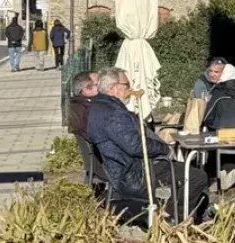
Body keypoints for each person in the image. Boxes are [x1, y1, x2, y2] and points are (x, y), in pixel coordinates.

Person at [87, 67, 210, 221]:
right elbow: (135, 146)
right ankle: (171, 217)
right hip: (134, 173)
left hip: (123, 168)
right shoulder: (113, 113)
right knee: (197, 177)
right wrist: (165, 149)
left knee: (182, 170)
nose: (130, 89)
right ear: (113, 88)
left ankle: (171, 212)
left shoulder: (99, 107)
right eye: (126, 85)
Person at [68, 71, 100, 138]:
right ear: (87, 89)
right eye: (99, 84)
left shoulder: (79, 105)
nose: (105, 86)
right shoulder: (87, 109)